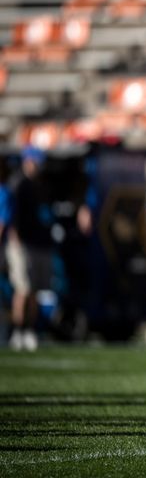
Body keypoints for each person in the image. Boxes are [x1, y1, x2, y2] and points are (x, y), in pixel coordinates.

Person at [7, 146, 53, 352]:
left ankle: (29, 331)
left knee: (34, 290)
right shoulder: (18, 183)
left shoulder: (39, 185)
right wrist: (14, 237)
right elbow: (10, 214)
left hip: (38, 242)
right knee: (23, 289)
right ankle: (18, 330)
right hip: (22, 242)